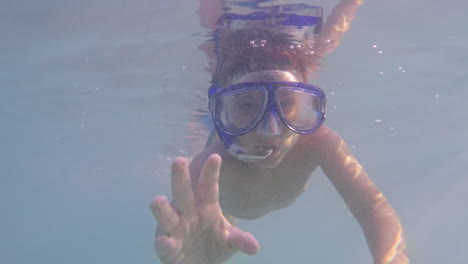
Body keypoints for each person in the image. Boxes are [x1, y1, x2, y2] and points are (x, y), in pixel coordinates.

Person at [151, 1, 409, 264]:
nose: (271, 129)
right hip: (220, 206)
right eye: (247, 105)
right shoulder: (209, 165)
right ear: (223, 113)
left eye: (286, 102)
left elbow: (373, 208)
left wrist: (391, 260)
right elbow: (181, 229)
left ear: (303, 101)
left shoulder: (319, 143)